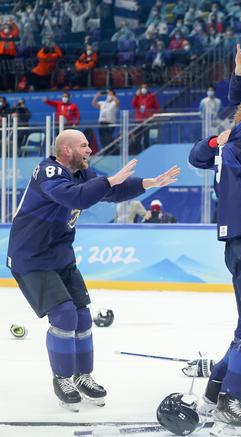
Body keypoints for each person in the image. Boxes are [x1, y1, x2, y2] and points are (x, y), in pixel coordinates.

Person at [7, 129, 180, 411]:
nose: (90, 149)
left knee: (82, 316)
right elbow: (78, 198)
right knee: (63, 314)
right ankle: (62, 377)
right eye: (84, 145)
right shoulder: (48, 171)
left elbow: (111, 190)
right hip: (31, 257)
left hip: (60, 255)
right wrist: (110, 180)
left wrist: (148, 183)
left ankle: (82, 375)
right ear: (66, 150)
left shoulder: (80, 172)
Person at [131, 84, 160, 154]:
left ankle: (146, 153)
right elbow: (133, 105)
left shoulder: (151, 96)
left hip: (147, 120)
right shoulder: (138, 97)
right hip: (138, 120)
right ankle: (138, 153)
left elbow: (157, 107)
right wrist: (136, 95)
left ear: (147, 89)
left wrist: (153, 115)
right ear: (140, 89)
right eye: (142, 88)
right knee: (138, 138)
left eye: (145, 88)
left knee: (146, 138)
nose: (144, 89)